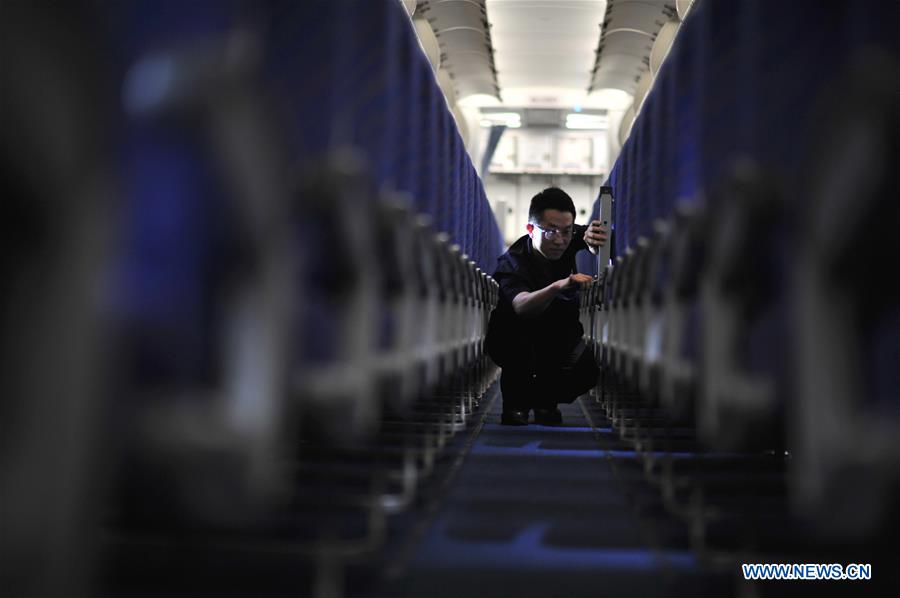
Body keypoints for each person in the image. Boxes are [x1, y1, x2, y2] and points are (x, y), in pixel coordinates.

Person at [487, 187, 608, 425]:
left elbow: (588, 235)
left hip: (555, 337)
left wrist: (594, 237)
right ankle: (517, 402)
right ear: (531, 230)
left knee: (587, 370)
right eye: (551, 231)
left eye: (567, 231)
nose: (560, 240)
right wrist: (559, 285)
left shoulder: (566, 237)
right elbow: (521, 306)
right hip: (515, 339)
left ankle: (544, 399)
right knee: (520, 339)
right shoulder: (514, 262)